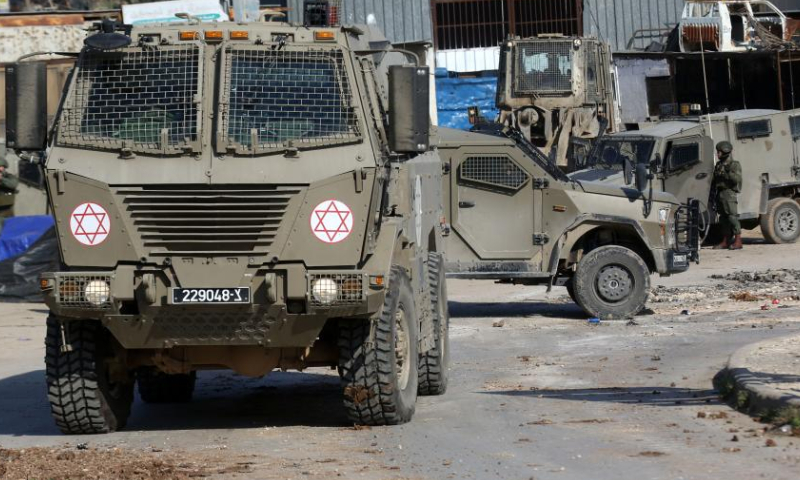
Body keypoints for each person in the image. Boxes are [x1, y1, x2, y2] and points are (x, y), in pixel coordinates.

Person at [712, 141, 743, 250]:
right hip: (720, 193)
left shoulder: (734, 164)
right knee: (723, 218)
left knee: (732, 217)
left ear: (725, 152)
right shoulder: (719, 164)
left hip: (729, 193)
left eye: (719, 152)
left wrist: (728, 170)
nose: (717, 154)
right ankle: (726, 241)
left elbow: (737, 179)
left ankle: (738, 241)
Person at [0, 155, 19, 231]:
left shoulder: (9, 177)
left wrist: (1, 180)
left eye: (1, 167)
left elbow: (13, 184)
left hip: (5, 213)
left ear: (4, 168)